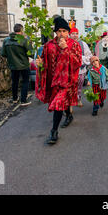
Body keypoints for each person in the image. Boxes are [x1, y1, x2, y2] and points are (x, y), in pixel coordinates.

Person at [35, 17, 82, 145]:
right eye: (59, 31)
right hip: (53, 81)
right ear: (55, 32)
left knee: (58, 103)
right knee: (63, 104)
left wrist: (66, 49)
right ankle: (69, 115)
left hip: (67, 81)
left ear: (68, 32)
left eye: (64, 31)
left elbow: (78, 62)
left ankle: (53, 131)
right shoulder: (48, 45)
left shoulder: (74, 45)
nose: (62, 34)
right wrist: (39, 64)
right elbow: (44, 62)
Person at [1, 23, 33, 106]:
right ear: (21, 30)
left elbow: (3, 54)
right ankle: (23, 100)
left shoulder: (6, 40)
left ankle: (15, 99)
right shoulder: (24, 40)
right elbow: (30, 53)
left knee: (14, 82)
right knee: (25, 81)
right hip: (24, 65)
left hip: (13, 65)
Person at [69, 27, 92, 109]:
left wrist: (82, 59)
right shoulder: (67, 43)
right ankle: (70, 104)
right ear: (69, 34)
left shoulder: (82, 44)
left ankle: (78, 99)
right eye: (73, 34)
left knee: (79, 86)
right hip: (70, 70)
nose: (75, 35)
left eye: (76, 33)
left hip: (81, 70)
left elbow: (88, 55)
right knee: (70, 87)